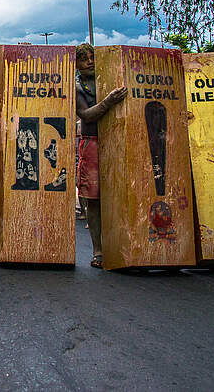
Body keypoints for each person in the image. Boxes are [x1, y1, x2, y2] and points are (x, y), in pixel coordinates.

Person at [75, 43, 127, 268]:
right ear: (76, 63)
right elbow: (86, 115)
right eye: (84, 58)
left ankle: (122, 246)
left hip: (117, 140)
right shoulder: (78, 86)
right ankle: (98, 249)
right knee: (93, 199)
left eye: (91, 57)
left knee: (120, 195)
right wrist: (108, 102)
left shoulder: (112, 78)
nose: (89, 61)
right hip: (92, 142)